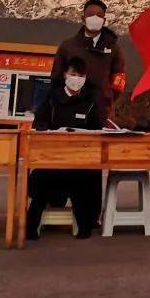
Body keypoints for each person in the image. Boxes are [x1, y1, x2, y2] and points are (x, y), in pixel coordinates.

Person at [26, 56, 104, 240]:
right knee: (40, 176)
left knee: (85, 176)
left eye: (81, 75)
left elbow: (97, 129)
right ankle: (30, 227)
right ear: (65, 75)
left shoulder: (91, 100)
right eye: (73, 74)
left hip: (79, 158)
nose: (76, 79)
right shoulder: (52, 98)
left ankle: (85, 225)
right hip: (52, 156)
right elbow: (39, 123)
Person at [50, 0, 126, 122]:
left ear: (104, 20)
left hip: (102, 111)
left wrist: (106, 99)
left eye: (99, 16)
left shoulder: (114, 49)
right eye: (91, 15)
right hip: (69, 109)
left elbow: (119, 82)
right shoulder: (68, 46)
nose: (95, 18)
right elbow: (56, 78)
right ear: (83, 19)